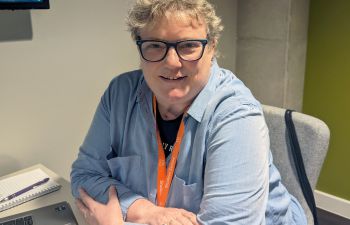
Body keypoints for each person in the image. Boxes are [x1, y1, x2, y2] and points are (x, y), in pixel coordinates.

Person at [71, 0, 307, 224]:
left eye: (188, 46)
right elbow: (84, 176)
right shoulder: (120, 94)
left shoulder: (236, 114)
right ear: (139, 46)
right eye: (155, 45)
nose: (172, 62)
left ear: (212, 47)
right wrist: (143, 211)